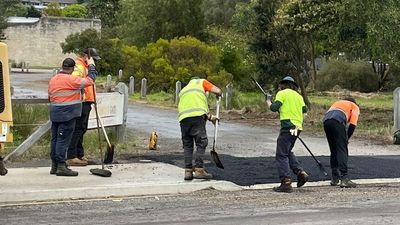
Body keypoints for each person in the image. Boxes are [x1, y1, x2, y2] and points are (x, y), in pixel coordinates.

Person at [48, 57, 97, 176]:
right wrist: (91, 66)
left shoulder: (53, 79)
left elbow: (50, 95)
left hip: (55, 113)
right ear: (72, 68)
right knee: (63, 140)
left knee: (55, 139)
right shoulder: (72, 80)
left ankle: (54, 165)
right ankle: (61, 165)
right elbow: (90, 80)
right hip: (68, 114)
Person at [266, 76, 309, 193]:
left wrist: (268, 100)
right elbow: (305, 113)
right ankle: (300, 173)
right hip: (297, 128)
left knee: (281, 155)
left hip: (288, 126)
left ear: (283, 85)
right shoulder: (299, 96)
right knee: (287, 151)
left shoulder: (282, 93)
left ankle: (286, 182)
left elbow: (274, 108)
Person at [178, 77, 222, 181]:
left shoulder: (184, 90)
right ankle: (199, 170)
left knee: (188, 145)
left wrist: (211, 118)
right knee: (202, 142)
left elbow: (194, 107)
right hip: (197, 118)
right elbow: (218, 90)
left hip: (183, 119)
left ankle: (188, 171)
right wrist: (218, 94)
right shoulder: (201, 82)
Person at [66, 48, 101, 166]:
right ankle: (71, 155)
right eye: (93, 59)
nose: (95, 62)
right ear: (87, 57)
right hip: (81, 101)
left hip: (87, 101)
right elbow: (75, 81)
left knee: (82, 128)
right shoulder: (80, 66)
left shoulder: (85, 67)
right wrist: (83, 94)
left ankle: (79, 154)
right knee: (78, 129)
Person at [323, 97, 360, 188]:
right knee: (342, 149)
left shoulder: (338, 102)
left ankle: (335, 178)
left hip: (326, 121)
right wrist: (346, 139)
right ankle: (345, 178)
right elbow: (352, 125)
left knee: (334, 149)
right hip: (337, 121)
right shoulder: (354, 106)